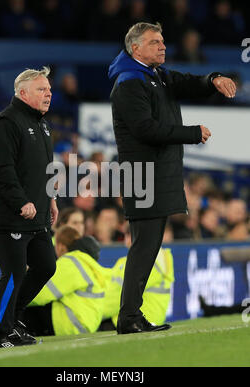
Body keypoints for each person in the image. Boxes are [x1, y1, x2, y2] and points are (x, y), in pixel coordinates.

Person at [108, 22, 236, 334]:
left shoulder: (156, 76)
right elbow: (145, 129)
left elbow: (188, 82)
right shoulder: (129, 82)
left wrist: (213, 79)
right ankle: (128, 317)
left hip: (156, 174)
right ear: (135, 48)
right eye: (154, 42)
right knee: (144, 246)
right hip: (142, 175)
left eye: (163, 41)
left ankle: (131, 315)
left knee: (149, 246)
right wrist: (192, 133)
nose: (163, 47)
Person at [0, 67, 58, 348]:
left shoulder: (42, 124)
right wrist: (20, 202)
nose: (48, 93)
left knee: (46, 265)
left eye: (49, 89)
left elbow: (43, 169)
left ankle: (14, 319)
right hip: (9, 214)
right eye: (41, 89)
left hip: (36, 213)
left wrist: (50, 198)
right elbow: (2, 170)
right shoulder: (6, 122)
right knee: (13, 273)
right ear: (23, 93)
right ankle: (2, 332)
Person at [23, 225, 109, 336]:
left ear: (60, 246)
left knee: (25, 304)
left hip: (72, 324)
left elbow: (41, 294)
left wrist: (14, 300)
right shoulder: (85, 261)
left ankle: (13, 334)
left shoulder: (70, 262)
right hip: (87, 324)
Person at [100, 224, 174, 331]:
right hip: (144, 319)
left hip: (138, 321)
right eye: (128, 235)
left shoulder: (146, 262)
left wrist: (97, 313)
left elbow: (119, 297)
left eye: (133, 235)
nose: (130, 239)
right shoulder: (159, 259)